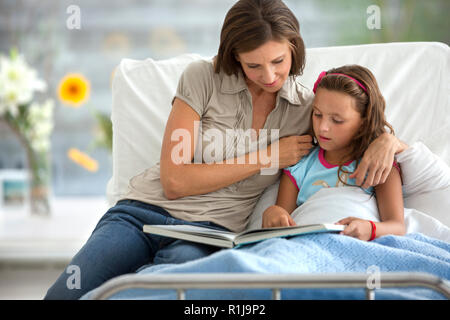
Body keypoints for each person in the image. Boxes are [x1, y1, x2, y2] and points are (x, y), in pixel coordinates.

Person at [45, 0, 407, 299]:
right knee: (66, 294)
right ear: (234, 56)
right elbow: (174, 180)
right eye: (253, 65)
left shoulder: (308, 109)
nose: (268, 75)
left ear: (294, 49)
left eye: (278, 62)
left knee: (162, 295)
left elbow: (354, 123)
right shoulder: (201, 78)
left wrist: (388, 141)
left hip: (210, 233)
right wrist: (268, 157)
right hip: (141, 214)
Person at [262, 65, 406, 241]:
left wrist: (370, 229)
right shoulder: (300, 166)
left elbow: (397, 227)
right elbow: (282, 223)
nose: (322, 128)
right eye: (317, 114)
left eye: (337, 120)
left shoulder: (378, 165)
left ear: (364, 121)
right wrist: (272, 212)